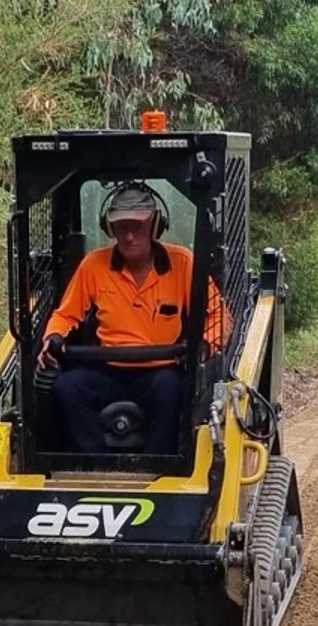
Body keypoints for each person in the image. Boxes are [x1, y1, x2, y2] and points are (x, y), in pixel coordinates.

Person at [37, 182, 226, 454]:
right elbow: (65, 314)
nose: (129, 236)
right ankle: (96, 463)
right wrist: (53, 336)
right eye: (122, 228)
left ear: (155, 226)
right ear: (110, 229)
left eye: (137, 227)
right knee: (67, 387)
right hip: (108, 368)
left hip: (160, 371)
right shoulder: (93, 265)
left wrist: (205, 345)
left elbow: (220, 315)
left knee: (174, 389)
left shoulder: (183, 263)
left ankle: (159, 467)